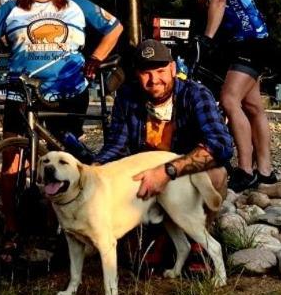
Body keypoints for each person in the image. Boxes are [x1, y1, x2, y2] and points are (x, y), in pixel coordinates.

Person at [0, 0, 122, 259]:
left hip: (67, 93)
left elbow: (114, 28)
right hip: (22, 92)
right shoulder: (12, 9)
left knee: (63, 164)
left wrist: (96, 58)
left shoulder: (76, 5)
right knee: (11, 163)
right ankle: (11, 229)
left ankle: (60, 229)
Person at [187, 0, 274, 193]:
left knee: (228, 99)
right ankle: (266, 171)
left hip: (249, 40)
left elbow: (219, 1)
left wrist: (207, 39)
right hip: (247, 40)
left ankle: (245, 170)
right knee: (253, 107)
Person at [94, 39, 233, 199]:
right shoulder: (126, 97)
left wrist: (168, 171)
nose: (154, 80)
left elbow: (221, 145)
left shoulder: (196, 94)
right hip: (142, 173)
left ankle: (203, 222)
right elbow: (116, 146)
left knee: (217, 175)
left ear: (173, 69)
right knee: (102, 178)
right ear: (136, 74)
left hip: (182, 172)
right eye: (146, 73)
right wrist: (96, 168)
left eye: (160, 71)